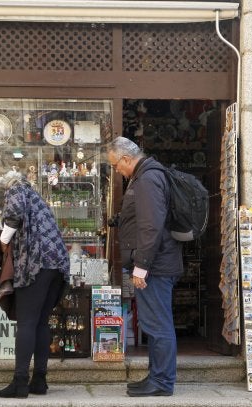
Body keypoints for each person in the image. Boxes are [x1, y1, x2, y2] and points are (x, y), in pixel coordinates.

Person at [106, 136, 184, 397]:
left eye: (116, 165)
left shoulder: (148, 179)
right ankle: (156, 376)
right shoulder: (144, 177)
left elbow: (151, 225)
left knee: (158, 324)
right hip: (156, 265)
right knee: (153, 324)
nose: (117, 170)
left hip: (155, 268)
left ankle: (162, 382)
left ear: (127, 159)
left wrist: (141, 266)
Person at [0, 173, 70, 398]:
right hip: (57, 265)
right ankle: (39, 380)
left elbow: (14, 215)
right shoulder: (36, 196)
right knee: (41, 323)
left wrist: (3, 240)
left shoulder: (17, 189)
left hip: (37, 264)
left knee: (26, 322)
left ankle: (19, 383)